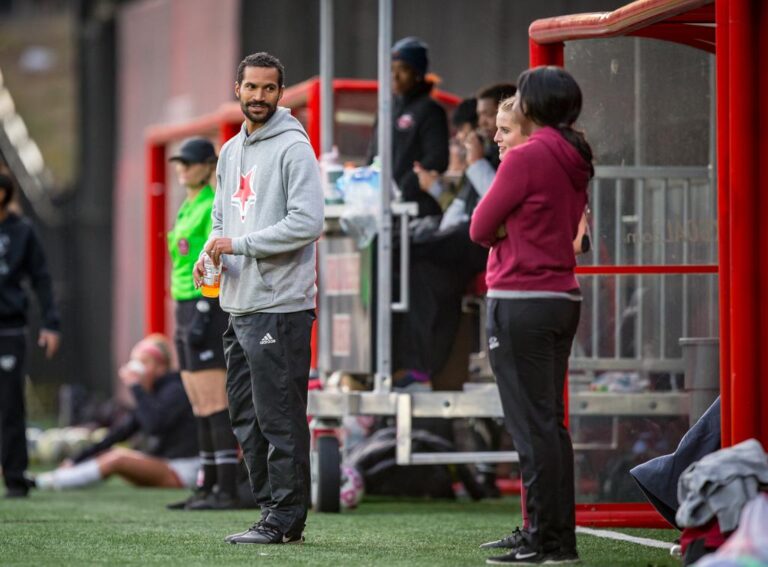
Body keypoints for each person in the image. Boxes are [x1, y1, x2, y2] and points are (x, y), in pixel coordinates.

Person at [193, 52, 323, 545]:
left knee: (279, 418)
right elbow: (223, 220)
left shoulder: (294, 149)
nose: (259, 97)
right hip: (239, 303)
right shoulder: (229, 152)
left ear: (280, 93)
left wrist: (240, 245)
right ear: (237, 88)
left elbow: (309, 222)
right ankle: (271, 512)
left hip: (282, 305)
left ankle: (287, 519)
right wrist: (214, 251)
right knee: (246, 419)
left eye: (269, 89)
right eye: (252, 88)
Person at [470, 67, 594, 565]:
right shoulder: (575, 154)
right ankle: (557, 538)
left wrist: (504, 232)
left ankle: (543, 538)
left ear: (536, 105)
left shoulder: (528, 156)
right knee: (549, 425)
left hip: (520, 298)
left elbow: (480, 226)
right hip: (562, 297)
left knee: (530, 427)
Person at [164, 138, 241, 511]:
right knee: (197, 402)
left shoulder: (213, 202)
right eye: (179, 162)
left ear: (209, 165)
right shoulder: (189, 203)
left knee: (214, 401)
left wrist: (207, 309)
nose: (181, 168)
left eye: (188, 162)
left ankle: (225, 488)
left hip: (203, 304)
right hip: (182, 305)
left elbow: (213, 258)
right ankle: (206, 485)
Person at [34, 335, 200, 491]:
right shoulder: (150, 396)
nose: (138, 368)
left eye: (144, 362)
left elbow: (155, 424)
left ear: (161, 367)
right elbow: (116, 434)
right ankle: (57, 478)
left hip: (184, 470)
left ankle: (46, 482)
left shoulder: (176, 389)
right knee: (111, 454)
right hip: (168, 466)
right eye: (135, 361)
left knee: (118, 458)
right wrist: (75, 460)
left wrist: (136, 387)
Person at [0, 172, 60, 498]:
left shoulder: (21, 231)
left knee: (10, 405)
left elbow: (42, 280)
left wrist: (51, 324)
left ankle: (14, 478)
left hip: (8, 329)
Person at [367, 36, 449, 217]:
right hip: (382, 207)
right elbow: (373, 154)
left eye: (403, 69)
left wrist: (405, 186)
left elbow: (438, 158)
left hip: (416, 210)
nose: (395, 76)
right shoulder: (385, 108)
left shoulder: (431, 110)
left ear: (418, 73)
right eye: (391, 70)